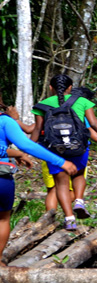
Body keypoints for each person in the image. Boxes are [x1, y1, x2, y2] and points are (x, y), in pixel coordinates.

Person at [31, 74, 97, 230]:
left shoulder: (41, 105)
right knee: (79, 174)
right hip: (79, 147)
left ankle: (69, 219)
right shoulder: (83, 101)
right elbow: (94, 124)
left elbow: (37, 130)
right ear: (70, 88)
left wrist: (27, 151)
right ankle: (79, 200)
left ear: (51, 88)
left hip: (54, 149)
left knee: (61, 184)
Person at [0, 110, 77, 265]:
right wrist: (60, 161)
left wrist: (18, 154)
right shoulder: (5, 122)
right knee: (2, 219)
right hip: (1, 178)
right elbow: (26, 144)